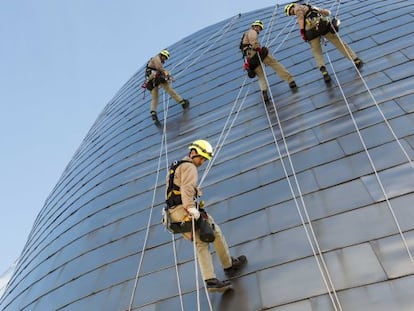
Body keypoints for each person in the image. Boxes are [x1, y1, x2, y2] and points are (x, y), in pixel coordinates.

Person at [163, 139, 247, 292]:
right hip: (184, 210)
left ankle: (225, 266)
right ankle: (217, 275)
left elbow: (174, 189)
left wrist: (194, 193)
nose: (202, 161)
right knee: (206, 238)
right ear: (193, 152)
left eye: (204, 159)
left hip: (173, 214)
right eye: (201, 158)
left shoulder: (176, 166)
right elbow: (186, 189)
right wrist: (191, 208)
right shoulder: (190, 167)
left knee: (211, 233)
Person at [284, 3, 363, 83]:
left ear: (292, 6)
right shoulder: (310, 7)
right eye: (291, 13)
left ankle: (323, 71)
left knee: (316, 52)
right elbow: (326, 12)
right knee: (339, 43)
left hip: (311, 32)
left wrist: (302, 33)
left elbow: (300, 19)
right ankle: (355, 59)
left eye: (291, 11)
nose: (292, 13)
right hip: (322, 26)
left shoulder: (297, 8)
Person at [241, 20, 297, 104]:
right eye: (258, 27)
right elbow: (253, 40)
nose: (258, 29)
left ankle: (264, 93)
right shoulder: (252, 31)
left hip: (251, 59)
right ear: (254, 26)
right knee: (275, 64)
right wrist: (258, 48)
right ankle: (290, 80)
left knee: (261, 76)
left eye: (260, 28)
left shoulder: (244, 40)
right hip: (256, 53)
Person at [145, 49, 189, 125]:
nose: (164, 59)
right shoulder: (156, 58)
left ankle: (153, 113)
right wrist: (167, 74)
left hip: (151, 80)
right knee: (168, 89)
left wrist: (168, 76)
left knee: (155, 97)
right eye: (164, 57)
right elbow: (159, 67)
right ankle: (182, 102)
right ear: (161, 55)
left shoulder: (154, 61)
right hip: (155, 77)